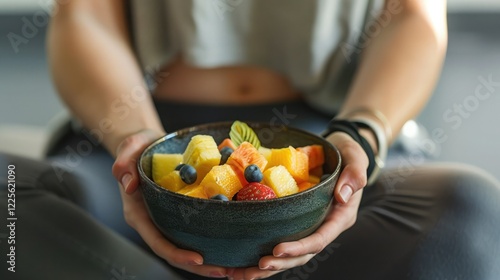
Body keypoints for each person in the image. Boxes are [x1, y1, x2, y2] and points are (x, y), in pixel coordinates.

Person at [3, 0, 499, 279]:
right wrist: (135, 137)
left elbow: (414, 16)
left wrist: (363, 130)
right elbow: (84, 15)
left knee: (471, 211)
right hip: (146, 133)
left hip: (335, 133)